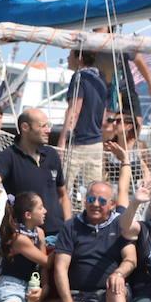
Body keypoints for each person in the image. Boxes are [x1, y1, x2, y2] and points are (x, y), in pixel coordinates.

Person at [52, 180, 137, 302]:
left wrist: (119, 274)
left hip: (110, 294)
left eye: (102, 201)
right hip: (80, 297)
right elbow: (60, 267)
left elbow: (131, 259)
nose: (95, 204)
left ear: (112, 204)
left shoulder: (120, 224)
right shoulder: (71, 227)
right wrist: (67, 301)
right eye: (91, 200)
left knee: (116, 287)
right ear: (85, 201)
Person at [0, 107, 71, 239]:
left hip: (58, 234)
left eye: (48, 126)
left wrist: (69, 226)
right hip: (27, 236)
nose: (48, 130)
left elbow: (63, 195)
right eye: (43, 126)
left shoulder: (52, 155)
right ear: (25, 127)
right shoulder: (8, 156)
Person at [0, 191, 52, 302]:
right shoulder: (19, 239)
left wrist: (45, 288)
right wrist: (68, 247)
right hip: (11, 289)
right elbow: (47, 260)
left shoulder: (39, 233)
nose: (45, 211)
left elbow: (43, 266)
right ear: (28, 214)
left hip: (31, 289)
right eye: (40, 208)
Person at [62, 48, 108, 198]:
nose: (67, 58)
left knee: (63, 188)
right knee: (94, 191)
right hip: (96, 143)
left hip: (78, 144)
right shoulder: (100, 77)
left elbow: (74, 111)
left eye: (70, 55)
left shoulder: (79, 77)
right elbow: (103, 116)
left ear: (79, 57)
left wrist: (62, 141)